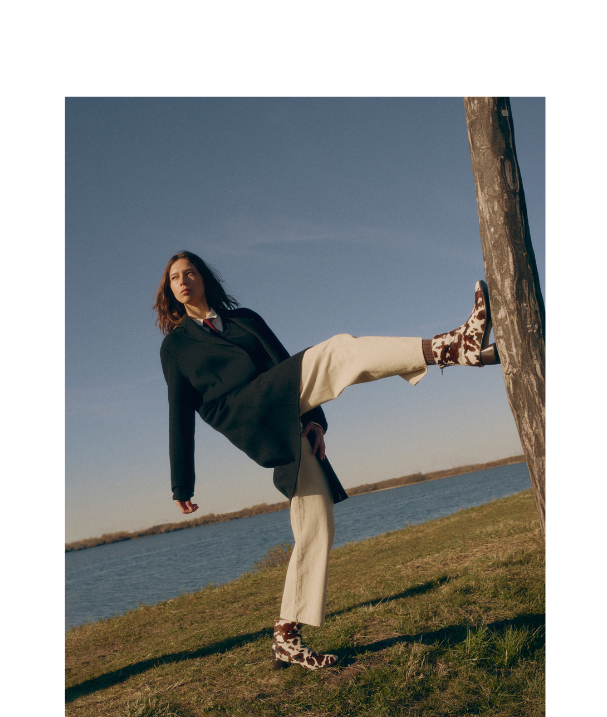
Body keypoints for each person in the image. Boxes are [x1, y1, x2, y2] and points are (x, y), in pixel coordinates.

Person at [153, 251, 500, 671]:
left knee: (316, 521)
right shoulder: (176, 347)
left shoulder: (245, 320)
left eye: (190, 272)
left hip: (284, 409)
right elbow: (179, 413)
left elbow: (283, 364)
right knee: (338, 350)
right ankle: (452, 347)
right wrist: (182, 483)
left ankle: (286, 635)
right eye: (175, 277)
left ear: (203, 278)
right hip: (244, 414)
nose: (183, 280)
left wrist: (315, 421)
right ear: (169, 290)